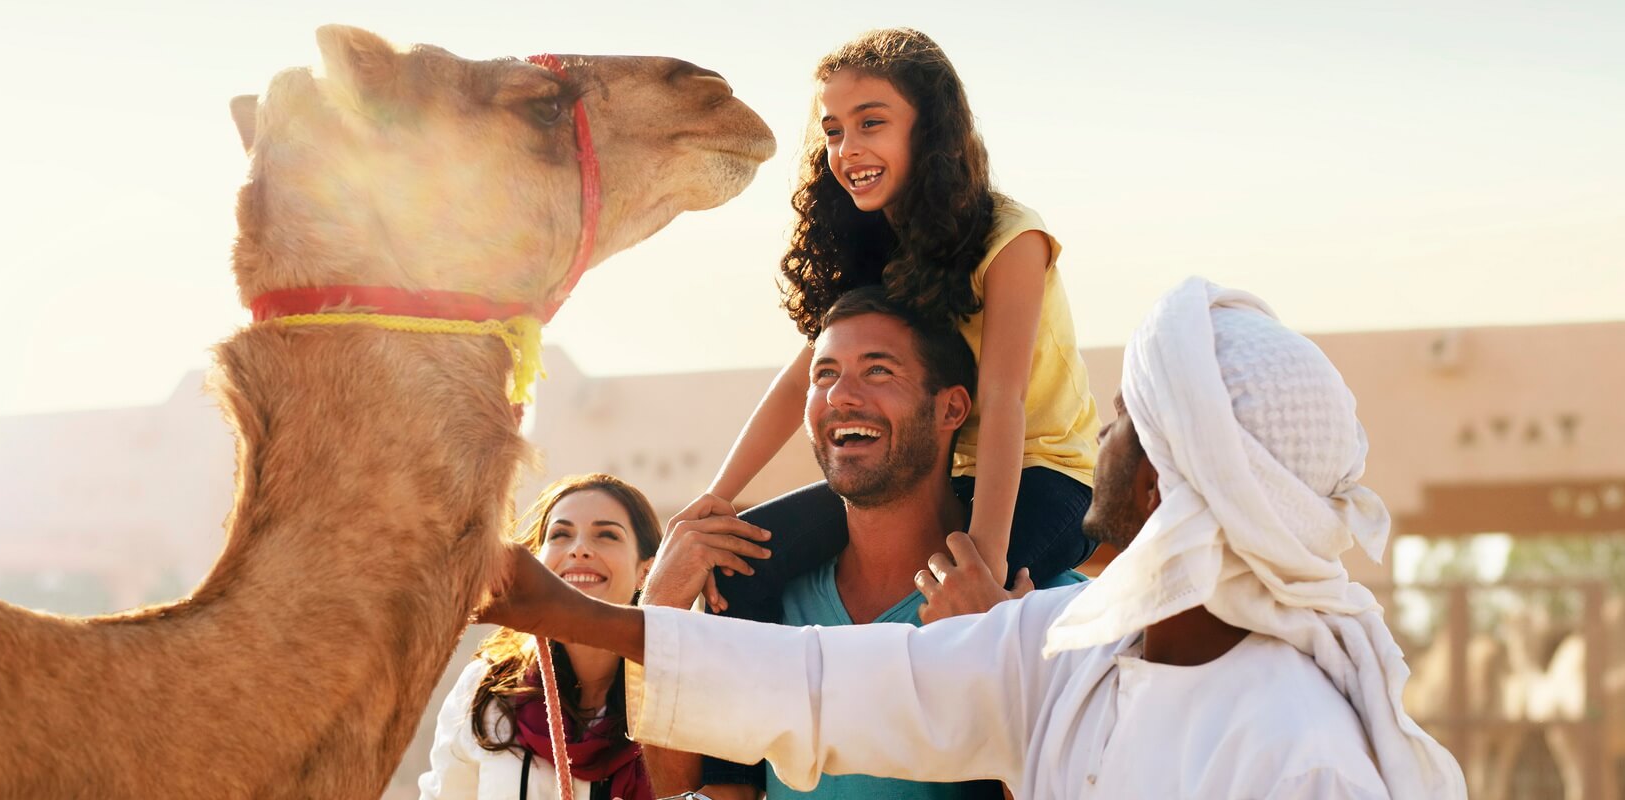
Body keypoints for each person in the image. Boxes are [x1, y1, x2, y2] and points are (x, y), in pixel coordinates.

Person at [483, 278, 1467, 799]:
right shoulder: (1059, 647)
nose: (1098, 440)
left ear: (1166, 478)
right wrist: (561, 610)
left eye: (1124, 422)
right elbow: (819, 683)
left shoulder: (1301, 751)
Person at [670, 26, 1100, 622]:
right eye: (833, 130)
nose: (847, 149)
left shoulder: (1011, 237)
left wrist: (985, 571)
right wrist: (717, 497)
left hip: (1044, 475)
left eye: (871, 123)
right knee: (737, 564)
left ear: (930, 128)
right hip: (939, 471)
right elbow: (801, 380)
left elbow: (1004, 401)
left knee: (952, 608)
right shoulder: (876, 248)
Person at [661, 286, 1086, 799]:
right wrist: (661, 611)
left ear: (951, 408)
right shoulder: (760, 605)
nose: (840, 395)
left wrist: (998, 661)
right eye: (824, 374)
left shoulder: (1056, 614)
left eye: (878, 370)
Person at [419, 474, 662, 800]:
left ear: (644, 571)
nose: (579, 550)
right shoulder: (485, 690)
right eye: (561, 535)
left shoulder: (671, 695)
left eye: (606, 535)